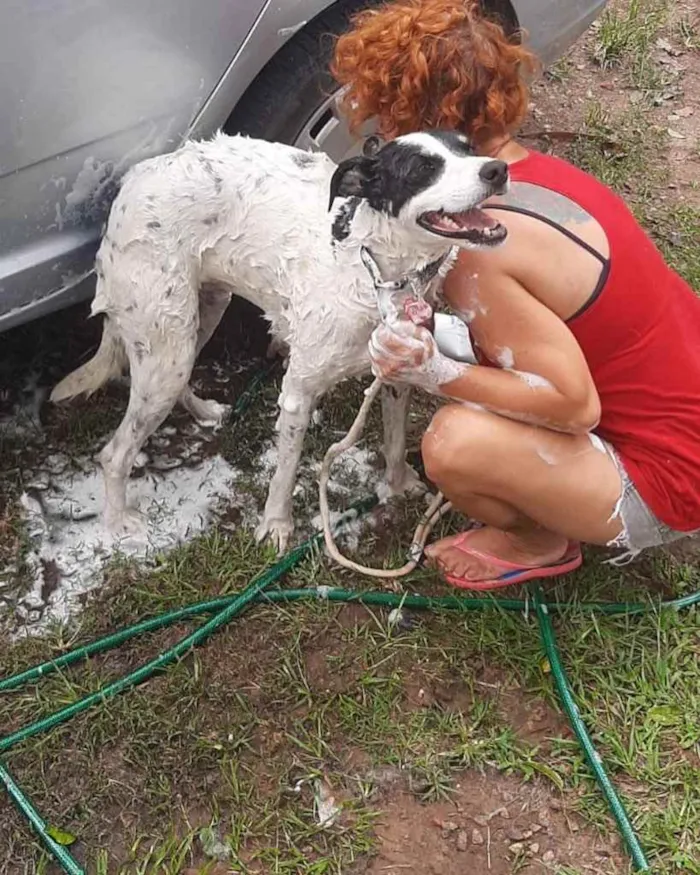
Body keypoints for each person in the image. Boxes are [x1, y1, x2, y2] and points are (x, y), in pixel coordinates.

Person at [331, 0, 700, 590]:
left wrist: (433, 372)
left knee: (454, 445)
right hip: (686, 412)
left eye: (383, 114)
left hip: (673, 480)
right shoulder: (536, 175)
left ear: (411, 122)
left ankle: (539, 542)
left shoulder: (480, 249)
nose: (379, 129)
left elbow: (576, 407)